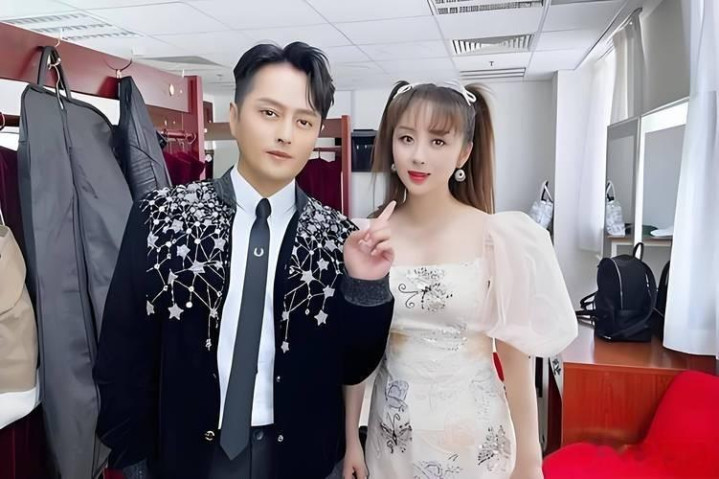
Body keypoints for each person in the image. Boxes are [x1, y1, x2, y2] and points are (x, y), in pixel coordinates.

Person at [94, 42, 396, 479]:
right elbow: (122, 349)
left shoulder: (336, 237)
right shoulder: (163, 217)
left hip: (299, 456)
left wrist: (366, 286)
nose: (286, 134)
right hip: (185, 454)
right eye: (269, 113)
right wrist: (134, 460)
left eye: (304, 121)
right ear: (235, 117)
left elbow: (353, 365)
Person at [342, 81, 578, 479]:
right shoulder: (368, 237)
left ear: (464, 152)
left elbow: (515, 358)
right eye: (406, 138)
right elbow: (357, 352)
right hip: (394, 439)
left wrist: (530, 459)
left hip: (476, 439)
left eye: (438, 141)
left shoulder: (497, 236)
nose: (418, 155)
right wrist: (351, 438)